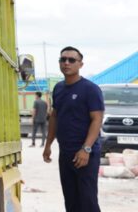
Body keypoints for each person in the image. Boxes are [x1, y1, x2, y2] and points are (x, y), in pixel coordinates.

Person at [43, 46, 104, 212]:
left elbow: (97, 119)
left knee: (87, 200)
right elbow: (55, 117)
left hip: (85, 154)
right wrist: (48, 145)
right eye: (63, 59)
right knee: (71, 200)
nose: (66, 63)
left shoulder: (90, 89)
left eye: (71, 60)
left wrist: (86, 149)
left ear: (80, 64)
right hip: (66, 153)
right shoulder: (59, 89)